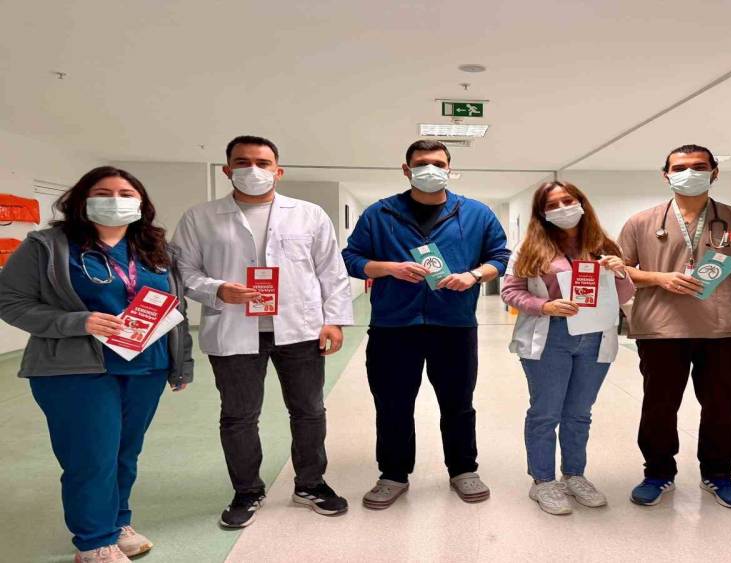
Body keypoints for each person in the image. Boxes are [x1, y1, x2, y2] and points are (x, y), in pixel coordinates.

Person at [0, 166, 194, 563]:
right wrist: (78, 322)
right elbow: (9, 301)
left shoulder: (158, 250)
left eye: (126, 194)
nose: (115, 201)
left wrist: (182, 363)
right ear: (82, 200)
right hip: (76, 370)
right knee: (91, 456)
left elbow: (176, 309)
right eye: (103, 193)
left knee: (125, 452)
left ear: (141, 204)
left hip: (146, 366)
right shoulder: (48, 246)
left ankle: (118, 522)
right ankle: (93, 541)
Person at [172, 135, 354, 527]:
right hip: (233, 328)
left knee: (309, 410)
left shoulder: (309, 215)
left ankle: (310, 484)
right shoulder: (200, 217)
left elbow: (331, 271)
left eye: (262, 162)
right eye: (242, 162)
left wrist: (335, 320)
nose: (252, 170)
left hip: (300, 329)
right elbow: (183, 271)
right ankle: (247, 491)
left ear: (278, 170)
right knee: (238, 415)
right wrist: (217, 289)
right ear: (227, 170)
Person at [342, 139, 510, 509]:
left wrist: (473, 276)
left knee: (458, 402)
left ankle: (463, 469)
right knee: (393, 403)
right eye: (421, 163)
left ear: (449, 168)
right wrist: (389, 268)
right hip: (393, 326)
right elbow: (351, 258)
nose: (430, 169)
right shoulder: (380, 213)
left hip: (454, 324)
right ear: (407, 169)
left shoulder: (476, 213)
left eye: (438, 163)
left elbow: (500, 256)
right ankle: (393, 474)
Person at [619, 144, 731, 509]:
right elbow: (620, 272)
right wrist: (660, 278)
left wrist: (722, 298)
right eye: (680, 167)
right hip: (660, 330)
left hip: (723, 331)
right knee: (659, 406)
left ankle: (719, 474)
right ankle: (657, 473)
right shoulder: (641, 222)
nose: (690, 173)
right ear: (666, 174)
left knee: (721, 406)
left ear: (715, 172)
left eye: (699, 166)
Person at [501, 181, 635, 515]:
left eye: (568, 200)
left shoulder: (603, 245)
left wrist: (620, 273)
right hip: (550, 335)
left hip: (595, 337)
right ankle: (543, 481)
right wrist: (544, 306)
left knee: (579, 413)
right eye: (552, 205)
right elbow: (510, 291)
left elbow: (623, 295)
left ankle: (574, 475)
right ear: (542, 213)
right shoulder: (530, 248)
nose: (562, 208)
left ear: (582, 203)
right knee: (546, 412)